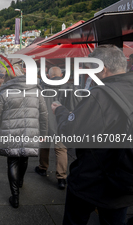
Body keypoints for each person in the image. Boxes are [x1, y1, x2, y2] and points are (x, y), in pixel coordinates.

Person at [51, 44, 133, 224]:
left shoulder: (100, 95)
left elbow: (71, 133)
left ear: (102, 69)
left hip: (93, 180)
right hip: (124, 180)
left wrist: (61, 112)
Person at [0, 69, 48, 209]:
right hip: (31, 130)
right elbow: (44, 114)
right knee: (24, 157)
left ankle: (15, 196)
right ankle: (20, 180)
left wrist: (2, 126)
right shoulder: (36, 91)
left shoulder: (4, 92)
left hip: (10, 131)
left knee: (12, 161)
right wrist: (44, 132)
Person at [35, 66, 81, 190]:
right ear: (61, 75)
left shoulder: (41, 88)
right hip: (62, 124)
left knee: (44, 146)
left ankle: (42, 168)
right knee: (61, 150)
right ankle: (61, 178)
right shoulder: (70, 88)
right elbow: (77, 106)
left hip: (45, 123)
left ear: (48, 76)